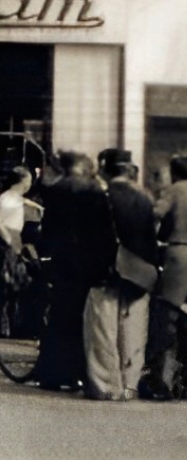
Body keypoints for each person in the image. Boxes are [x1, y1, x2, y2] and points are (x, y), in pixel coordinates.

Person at [83, 151, 158, 400]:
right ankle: (129, 385)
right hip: (141, 271)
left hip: (109, 268)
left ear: (105, 169)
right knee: (134, 329)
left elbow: (93, 237)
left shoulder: (101, 196)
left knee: (104, 329)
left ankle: (107, 386)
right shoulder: (145, 197)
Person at [36, 150, 113, 391]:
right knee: (83, 318)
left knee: (59, 315)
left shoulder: (57, 190)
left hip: (63, 261)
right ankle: (78, 372)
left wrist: (45, 256)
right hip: (89, 262)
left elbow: (49, 229)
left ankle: (52, 372)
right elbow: (105, 231)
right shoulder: (94, 191)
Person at [140, 154, 187, 399]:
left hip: (179, 254)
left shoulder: (177, 189)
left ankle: (161, 380)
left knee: (167, 317)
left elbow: (156, 213)